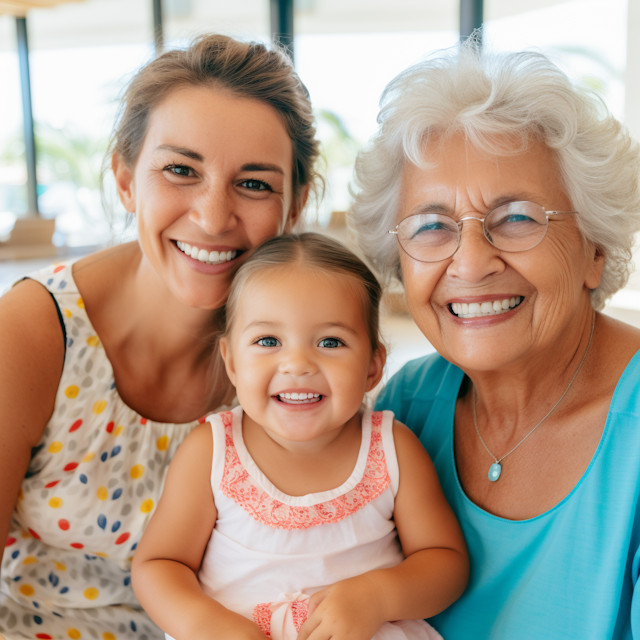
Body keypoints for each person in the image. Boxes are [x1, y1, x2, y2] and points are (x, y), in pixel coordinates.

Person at [0, 34, 322, 640]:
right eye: (180, 170)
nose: (212, 216)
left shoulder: (305, 356)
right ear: (125, 179)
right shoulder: (33, 330)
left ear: (296, 202)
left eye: (254, 184)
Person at [348, 39, 640, 639]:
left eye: (517, 218)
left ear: (596, 251)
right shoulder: (404, 411)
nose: (472, 262)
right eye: (432, 226)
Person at [131, 232, 469, 640]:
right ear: (232, 362)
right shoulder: (211, 451)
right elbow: (159, 564)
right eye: (268, 340)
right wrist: (207, 625)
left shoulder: (392, 449)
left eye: (331, 341)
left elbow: (446, 563)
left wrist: (377, 595)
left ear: (372, 367)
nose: (297, 363)